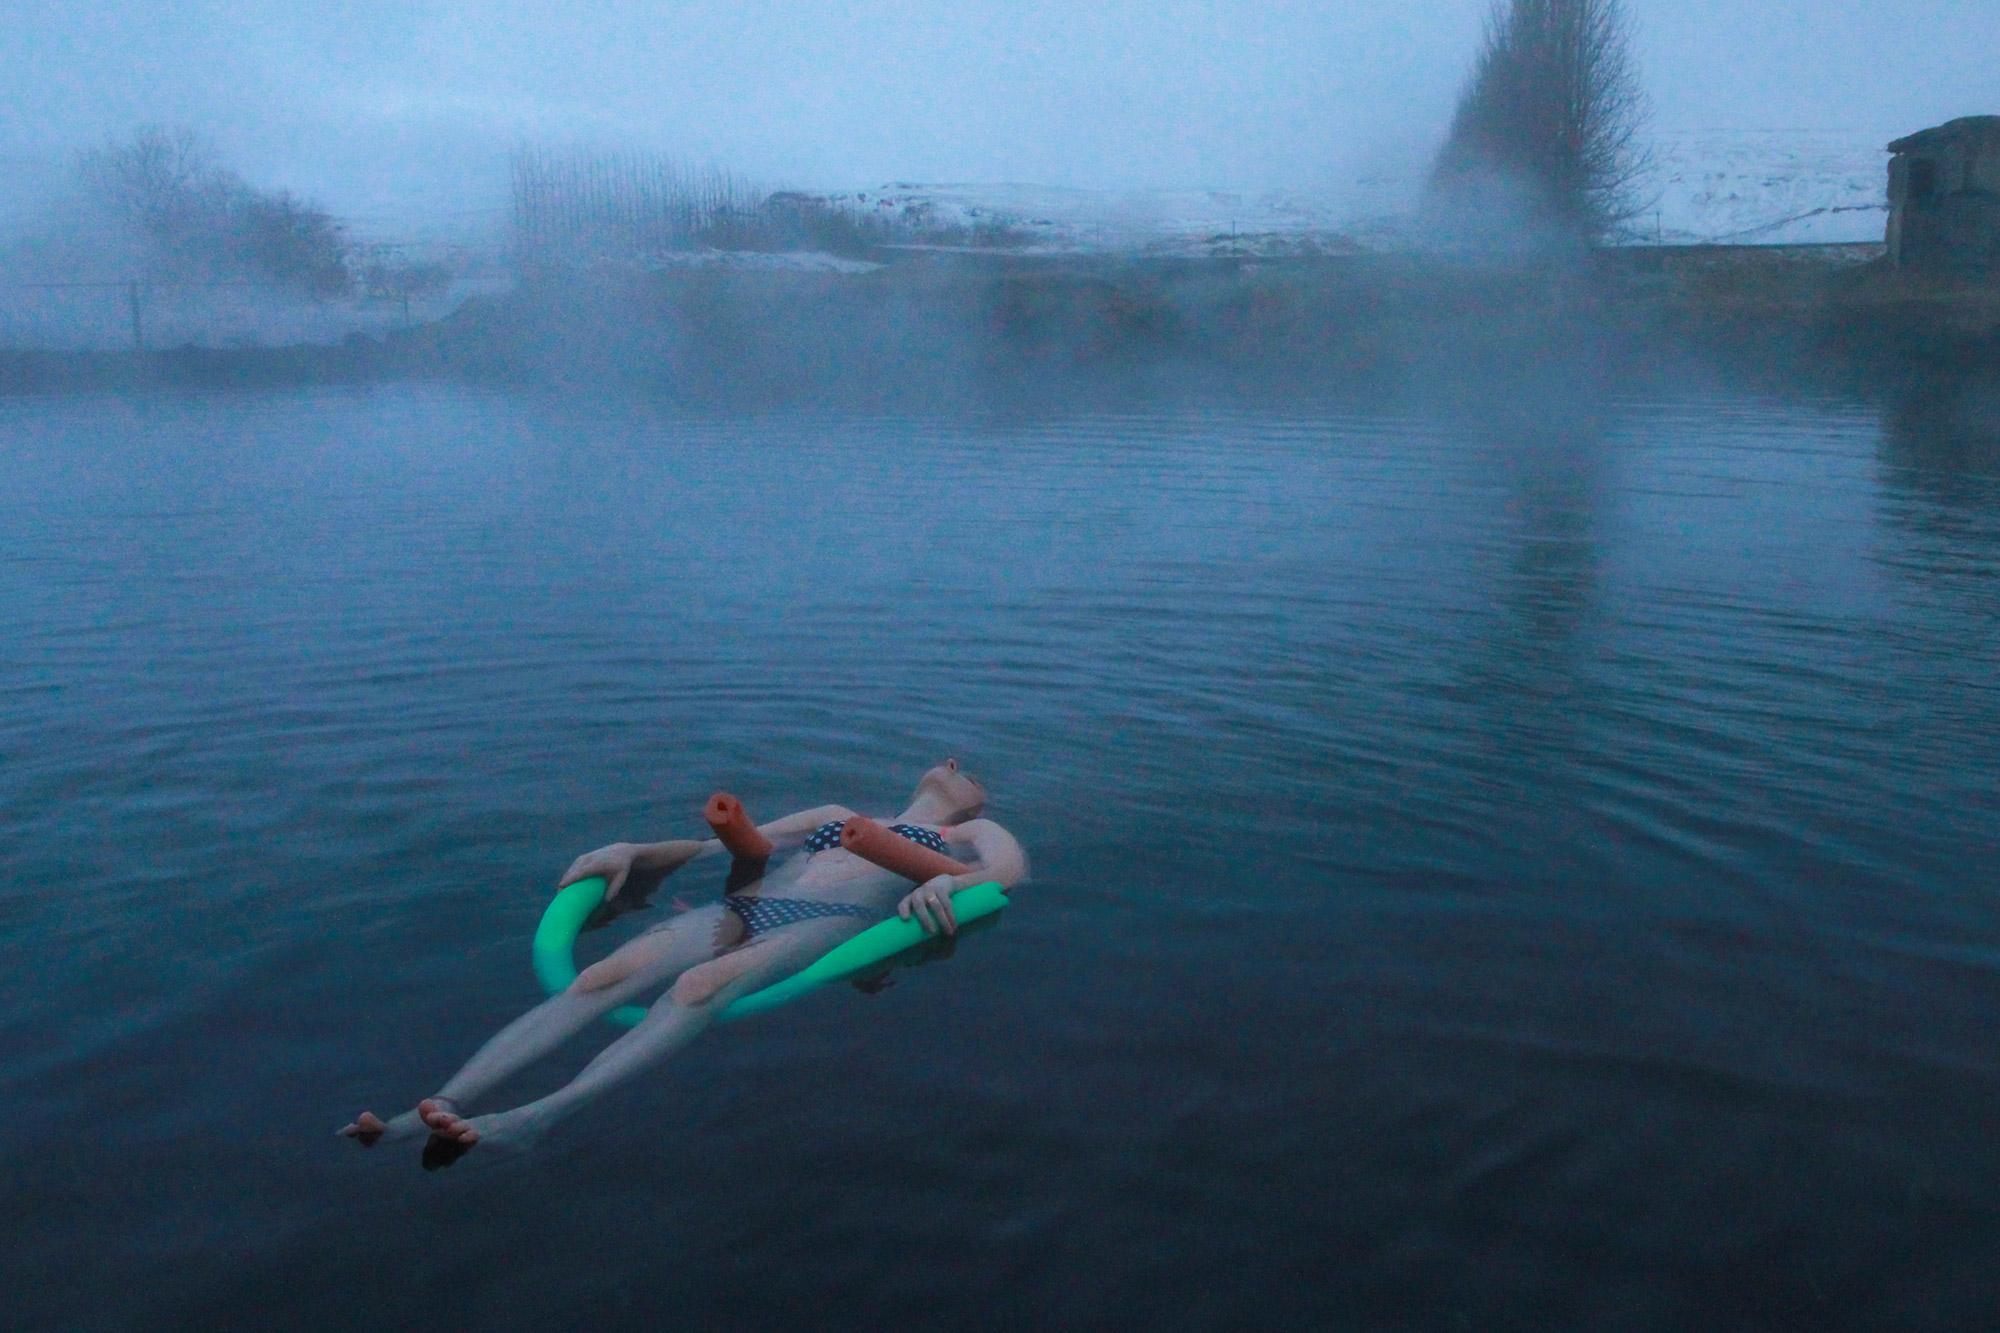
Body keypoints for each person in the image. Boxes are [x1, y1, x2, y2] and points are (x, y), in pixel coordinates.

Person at [340, 758, 1025, 1159]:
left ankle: (539, 1115)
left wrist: (949, 879)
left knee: (700, 986)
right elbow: (723, 850)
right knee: (600, 975)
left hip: (829, 920)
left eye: (967, 771)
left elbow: (1010, 872)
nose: (952, 762)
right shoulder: (837, 811)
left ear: (975, 797)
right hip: (748, 904)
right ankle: (426, 1109)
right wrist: (634, 850)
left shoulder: (966, 831)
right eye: (948, 760)